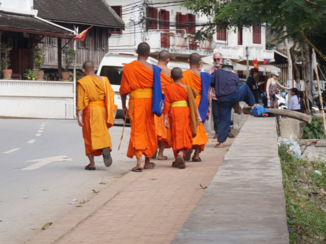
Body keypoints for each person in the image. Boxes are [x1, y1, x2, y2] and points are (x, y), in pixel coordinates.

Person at [120, 42, 157, 172]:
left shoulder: (128, 68)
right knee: (149, 130)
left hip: (136, 101)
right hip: (150, 102)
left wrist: (124, 105)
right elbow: (160, 88)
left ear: (136, 51)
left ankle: (139, 162)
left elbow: (124, 90)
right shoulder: (154, 69)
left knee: (137, 130)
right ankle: (147, 161)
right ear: (149, 54)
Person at [77, 61, 115, 170]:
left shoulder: (83, 82)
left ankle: (92, 163)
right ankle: (105, 146)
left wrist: (79, 115)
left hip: (90, 110)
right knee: (102, 132)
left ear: (84, 70)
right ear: (94, 68)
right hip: (103, 109)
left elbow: (81, 100)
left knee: (89, 135)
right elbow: (110, 95)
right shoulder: (104, 80)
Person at [212, 59, 257, 147]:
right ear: (231, 67)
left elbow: (212, 83)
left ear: (222, 66)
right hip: (232, 97)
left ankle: (221, 142)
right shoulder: (234, 75)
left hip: (221, 99)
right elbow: (236, 86)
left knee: (224, 120)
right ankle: (252, 104)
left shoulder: (216, 73)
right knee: (244, 86)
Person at [164, 67, 201, 169]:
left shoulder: (168, 88)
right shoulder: (187, 88)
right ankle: (180, 154)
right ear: (182, 76)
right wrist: (198, 116)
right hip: (185, 112)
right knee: (185, 133)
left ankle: (178, 157)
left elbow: (166, 103)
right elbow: (193, 104)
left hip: (174, 112)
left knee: (176, 134)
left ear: (171, 77)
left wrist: (165, 118)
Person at [181, 53, 211, 162]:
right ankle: (196, 155)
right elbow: (207, 93)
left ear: (188, 61)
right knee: (199, 128)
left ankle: (186, 150)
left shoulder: (183, 75)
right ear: (199, 63)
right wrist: (209, 107)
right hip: (201, 103)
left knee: (188, 128)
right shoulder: (205, 76)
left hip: (188, 103)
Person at [153, 50, 173, 160]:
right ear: (167, 60)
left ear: (157, 58)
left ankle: (152, 151)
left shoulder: (153, 69)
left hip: (154, 100)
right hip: (165, 101)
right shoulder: (169, 72)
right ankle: (160, 154)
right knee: (164, 128)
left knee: (154, 126)